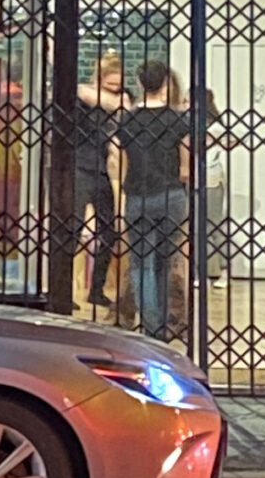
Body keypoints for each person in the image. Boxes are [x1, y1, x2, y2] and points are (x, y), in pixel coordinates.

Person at [112, 61, 190, 344]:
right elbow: (186, 157)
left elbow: (118, 158)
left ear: (140, 82)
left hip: (137, 195)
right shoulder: (178, 119)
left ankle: (150, 328)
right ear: (166, 83)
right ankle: (161, 324)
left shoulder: (127, 120)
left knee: (141, 263)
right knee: (164, 262)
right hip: (170, 194)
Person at [73, 52, 127, 314]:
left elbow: (125, 109)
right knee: (70, 230)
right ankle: (61, 289)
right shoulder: (82, 98)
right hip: (80, 167)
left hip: (102, 170)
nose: (116, 90)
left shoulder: (120, 100)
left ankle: (97, 289)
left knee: (110, 231)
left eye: (119, 85)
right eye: (111, 85)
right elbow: (84, 94)